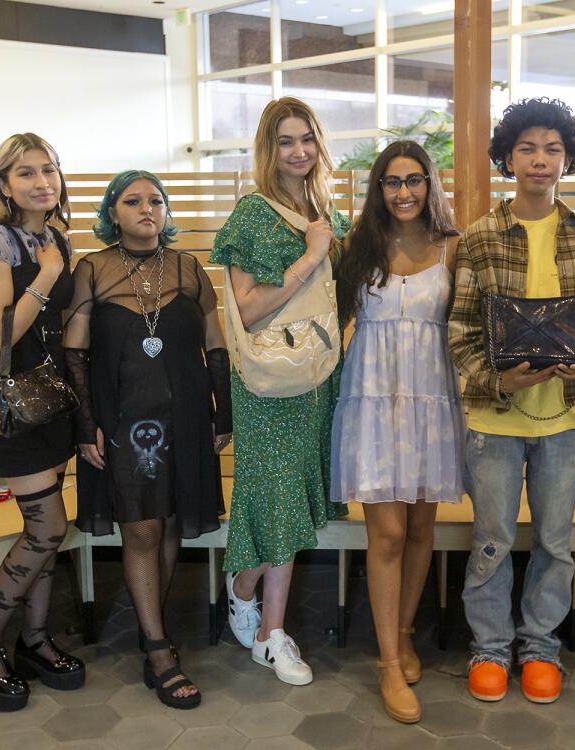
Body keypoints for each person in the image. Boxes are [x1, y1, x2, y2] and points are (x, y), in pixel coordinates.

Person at [448, 98, 575, 705]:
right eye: (527, 148)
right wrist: (499, 383)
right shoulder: (481, 237)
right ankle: (490, 648)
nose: (540, 160)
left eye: (552, 149)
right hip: (495, 416)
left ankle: (540, 646)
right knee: (491, 536)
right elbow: (461, 330)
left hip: (565, 416)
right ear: (507, 158)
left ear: (567, 158)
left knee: (554, 539)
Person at [64, 170, 231, 709]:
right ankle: (159, 649)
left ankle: (148, 625)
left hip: (184, 417)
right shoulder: (91, 269)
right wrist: (84, 421)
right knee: (141, 529)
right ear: (112, 211)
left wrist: (221, 412)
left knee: (172, 522)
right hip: (123, 422)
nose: (146, 209)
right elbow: (76, 352)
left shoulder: (189, 268)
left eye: (155, 200)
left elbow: (215, 345)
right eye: (132, 201)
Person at [209, 96, 349, 686]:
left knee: (294, 497)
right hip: (270, 382)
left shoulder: (327, 212)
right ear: (269, 151)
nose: (298, 151)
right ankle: (268, 629)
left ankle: (250, 596)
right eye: (285, 141)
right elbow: (245, 307)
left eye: (307, 139)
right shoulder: (252, 215)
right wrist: (311, 257)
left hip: (318, 376)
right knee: (278, 496)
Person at [331, 140, 463, 723]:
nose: (404, 191)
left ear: (431, 183)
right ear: (377, 188)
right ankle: (388, 662)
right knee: (385, 533)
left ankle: (405, 631)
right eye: (392, 181)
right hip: (374, 397)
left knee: (418, 529)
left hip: (433, 399)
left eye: (414, 180)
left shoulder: (453, 247)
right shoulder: (355, 248)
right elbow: (326, 323)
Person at [0, 133, 85, 711]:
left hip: (52, 399)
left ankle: (34, 639)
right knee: (47, 529)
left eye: (49, 170)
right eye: (26, 173)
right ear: (4, 184)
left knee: (48, 529)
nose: (42, 182)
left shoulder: (54, 235)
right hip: (12, 405)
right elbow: (0, 332)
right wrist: (50, 271)